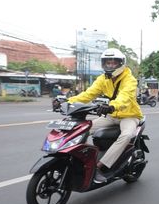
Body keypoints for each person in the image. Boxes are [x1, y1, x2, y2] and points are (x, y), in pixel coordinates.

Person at [54, 48, 143, 183]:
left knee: (126, 135)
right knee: (83, 128)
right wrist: (67, 101)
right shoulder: (103, 79)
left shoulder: (129, 79)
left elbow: (125, 97)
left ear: (121, 64)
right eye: (107, 63)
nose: (110, 66)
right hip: (111, 115)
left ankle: (100, 166)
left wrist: (112, 106)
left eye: (113, 63)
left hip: (129, 116)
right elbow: (88, 94)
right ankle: (75, 158)